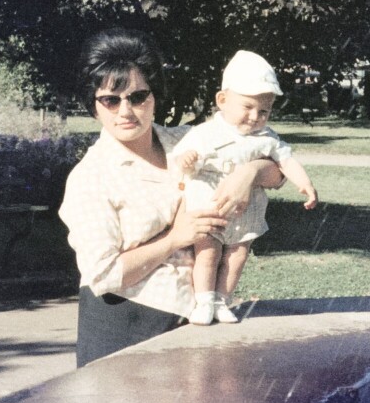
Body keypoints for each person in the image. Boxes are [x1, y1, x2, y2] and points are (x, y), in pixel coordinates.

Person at [58, 29, 285, 366]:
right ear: (93, 106)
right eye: (110, 99)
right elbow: (104, 275)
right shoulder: (91, 177)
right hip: (126, 331)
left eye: (138, 96)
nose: (126, 111)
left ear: (154, 96)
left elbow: (278, 173)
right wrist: (177, 237)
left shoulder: (189, 141)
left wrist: (247, 173)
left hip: (194, 322)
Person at [171, 50, 318, 326]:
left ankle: (222, 300)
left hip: (246, 210)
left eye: (264, 111)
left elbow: (286, 161)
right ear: (222, 100)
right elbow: (182, 161)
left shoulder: (267, 138)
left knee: (237, 256)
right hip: (210, 206)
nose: (255, 117)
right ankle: (204, 300)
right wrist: (186, 159)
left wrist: (305, 184)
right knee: (208, 253)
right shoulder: (205, 133)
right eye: (247, 107)